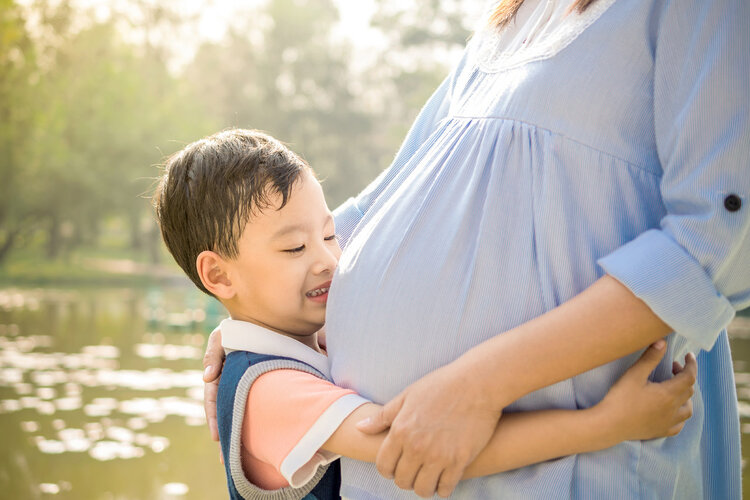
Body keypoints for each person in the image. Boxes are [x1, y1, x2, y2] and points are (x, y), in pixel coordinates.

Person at [203, 0, 750, 497]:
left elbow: (721, 233)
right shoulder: (508, 23)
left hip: (578, 471)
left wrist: (480, 384)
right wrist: (262, 318)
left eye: (315, 245)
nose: (320, 252)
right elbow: (391, 193)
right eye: (298, 247)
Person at [154, 129, 696, 500]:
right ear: (220, 276)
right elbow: (414, 450)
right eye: (294, 250)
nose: (327, 260)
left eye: (329, 234)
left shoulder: (291, 345)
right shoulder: (271, 388)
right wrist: (604, 426)